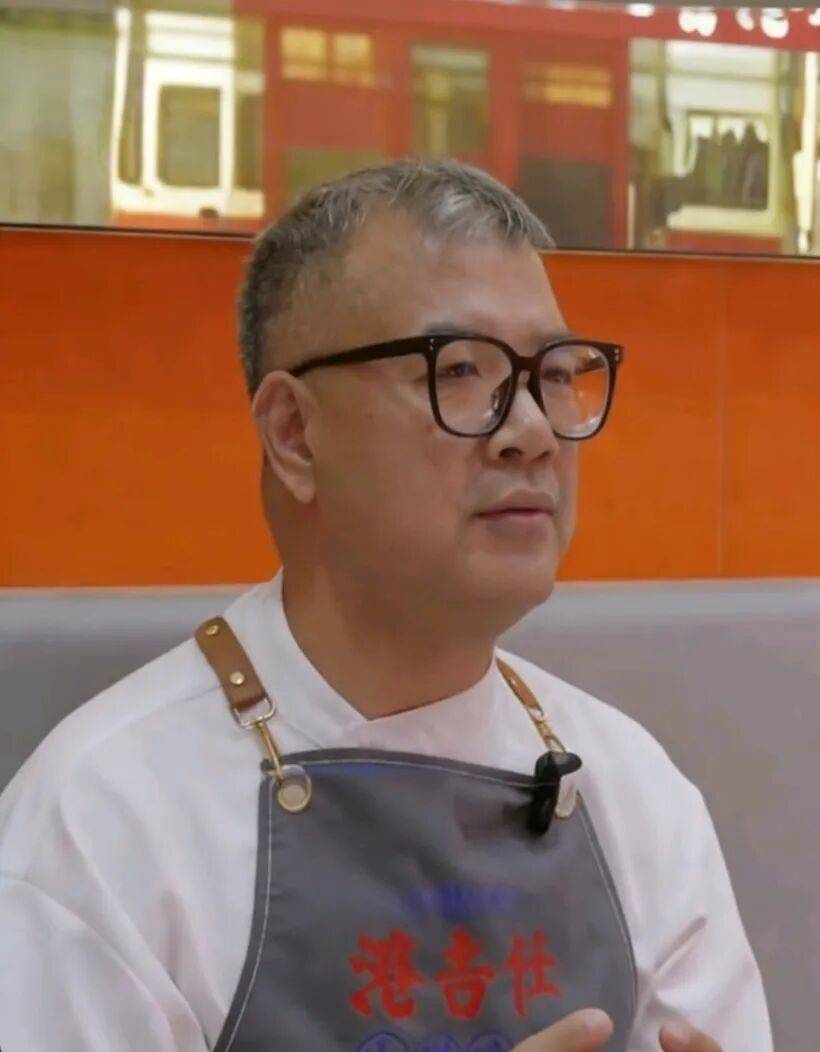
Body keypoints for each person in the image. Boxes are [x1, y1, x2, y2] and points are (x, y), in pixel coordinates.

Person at [0, 160, 771, 1052]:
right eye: (462, 370)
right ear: (295, 434)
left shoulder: (634, 791)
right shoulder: (103, 827)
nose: (531, 432)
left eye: (555, 374)